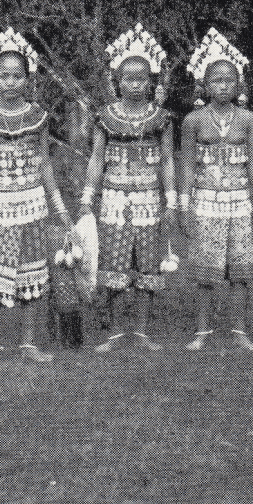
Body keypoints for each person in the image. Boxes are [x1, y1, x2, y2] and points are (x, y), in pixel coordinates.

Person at [0, 28, 72, 367]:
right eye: (3, 75)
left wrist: (60, 210)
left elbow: (46, 166)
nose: (10, 82)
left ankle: (28, 343)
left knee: (32, 275)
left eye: (17, 76)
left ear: (27, 79)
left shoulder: (37, 117)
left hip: (33, 205)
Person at [80, 24, 176, 352]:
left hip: (149, 196)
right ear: (117, 82)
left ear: (150, 82)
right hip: (113, 197)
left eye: (141, 79)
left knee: (147, 263)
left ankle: (142, 331)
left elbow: (166, 160)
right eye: (128, 79)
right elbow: (96, 158)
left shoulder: (161, 118)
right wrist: (86, 199)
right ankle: (117, 332)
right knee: (116, 264)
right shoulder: (105, 117)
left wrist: (172, 201)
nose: (135, 85)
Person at [179, 28, 253, 351]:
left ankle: (239, 330)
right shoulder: (193, 120)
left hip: (240, 201)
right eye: (216, 81)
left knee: (241, 269)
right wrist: (183, 205)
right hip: (205, 200)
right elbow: (187, 165)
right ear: (204, 85)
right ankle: (202, 331)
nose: (223, 86)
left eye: (229, 81)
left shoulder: (248, 119)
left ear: (239, 85)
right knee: (205, 270)